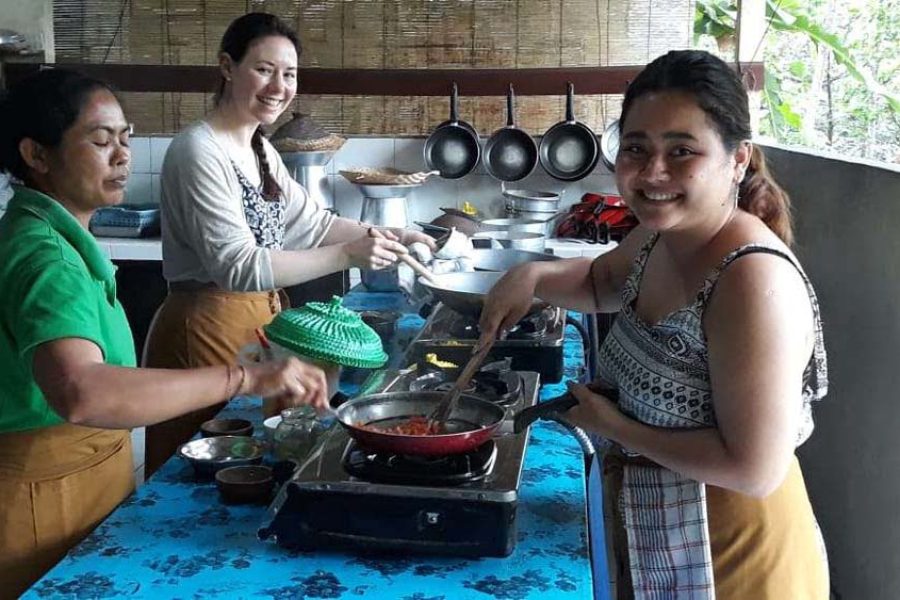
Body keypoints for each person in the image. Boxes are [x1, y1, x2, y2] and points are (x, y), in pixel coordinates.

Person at [479, 50, 829, 599]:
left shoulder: (750, 282)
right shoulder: (662, 236)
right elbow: (600, 283)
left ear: (738, 159)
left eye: (682, 151)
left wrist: (615, 426)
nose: (652, 172)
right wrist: (531, 275)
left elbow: (753, 469)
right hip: (660, 538)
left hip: (733, 558)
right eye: (636, 148)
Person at [0, 69, 331, 597]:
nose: (122, 156)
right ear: (37, 155)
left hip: (80, 480)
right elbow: (83, 392)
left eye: (125, 139)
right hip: (43, 498)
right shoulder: (46, 258)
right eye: (100, 140)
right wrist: (241, 378)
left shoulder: (53, 236)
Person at [142, 12, 435, 474]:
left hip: (257, 321)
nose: (279, 86)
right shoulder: (199, 150)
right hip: (206, 326)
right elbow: (235, 267)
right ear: (226, 66)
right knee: (202, 467)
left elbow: (312, 223)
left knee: (250, 458)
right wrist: (346, 255)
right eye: (264, 69)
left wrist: (388, 234)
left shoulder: (260, 148)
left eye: (290, 74)